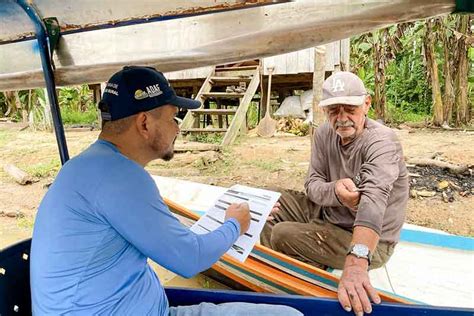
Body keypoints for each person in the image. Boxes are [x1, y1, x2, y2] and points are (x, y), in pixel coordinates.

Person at [30, 66, 302, 316]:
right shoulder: (120, 178)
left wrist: (242, 219)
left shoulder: (93, 166)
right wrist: (235, 225)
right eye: (173, 117)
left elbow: (174, 243)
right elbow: (190, 258)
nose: (178, 127)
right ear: (145, 123)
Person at [261, 71, 409, 315]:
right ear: (324, 111)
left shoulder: (382, 142)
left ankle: (292, 280)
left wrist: (357, 262)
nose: (342, 118)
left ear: (366, 104)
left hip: (371, 240)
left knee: (282, 233)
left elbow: (373, 202)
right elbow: (312, 184)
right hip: (329, 212)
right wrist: (336, 192)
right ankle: (277, 273)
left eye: (350, 108)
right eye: (333, 110)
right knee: (269, 201)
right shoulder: (323, 134)